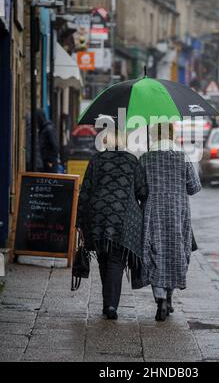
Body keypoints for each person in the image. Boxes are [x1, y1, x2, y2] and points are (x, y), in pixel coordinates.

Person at [134, 123, 201, 321]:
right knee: (175, 251)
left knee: (154, 252)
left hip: (153, 211)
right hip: (178, 212)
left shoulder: (145, 159)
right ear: (172, 136)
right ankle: (169, 297)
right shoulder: (182, 157)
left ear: (153, 136)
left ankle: (161, 299)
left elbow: (139, 189)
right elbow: (194, 187)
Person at [76, 128, 141, 320]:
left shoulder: (97, 160)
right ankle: (111, 305)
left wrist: (79, 221)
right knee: (116, 260)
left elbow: (85, 191)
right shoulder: (132, 161)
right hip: (123, 218)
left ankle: (109, 303)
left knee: (104, 258)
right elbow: (142, 190)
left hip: (98, 217)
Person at [36, 109, 59, 173]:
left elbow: (55, 145)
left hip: (49, 162)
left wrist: (50, 161)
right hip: (45, 162)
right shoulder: (43, 129)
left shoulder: (48, 129)